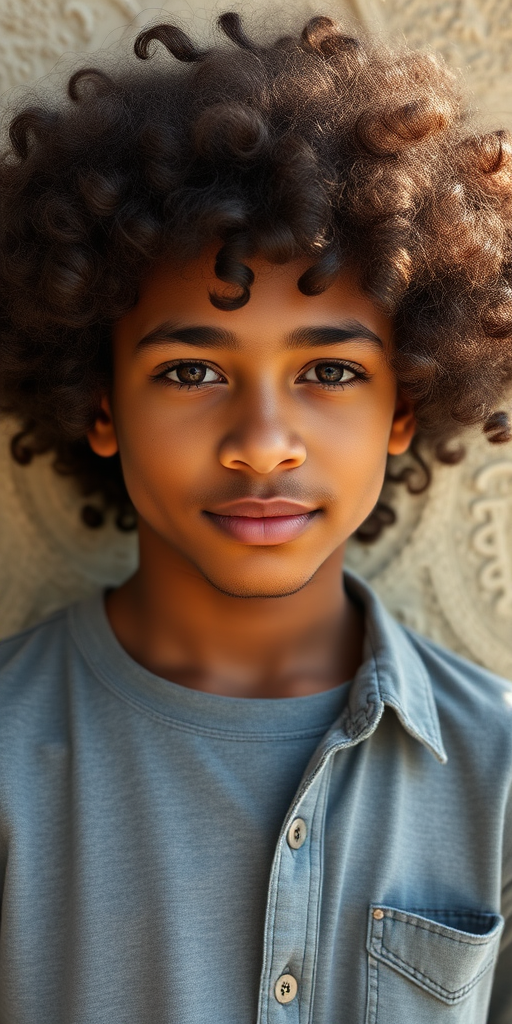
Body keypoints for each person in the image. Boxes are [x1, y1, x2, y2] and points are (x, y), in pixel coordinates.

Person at [0, 11, 511, 1023]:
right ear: (102, 402)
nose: (262, 441)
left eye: (328, 371)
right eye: (189, 370)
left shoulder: (498, 773)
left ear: (401, 404)